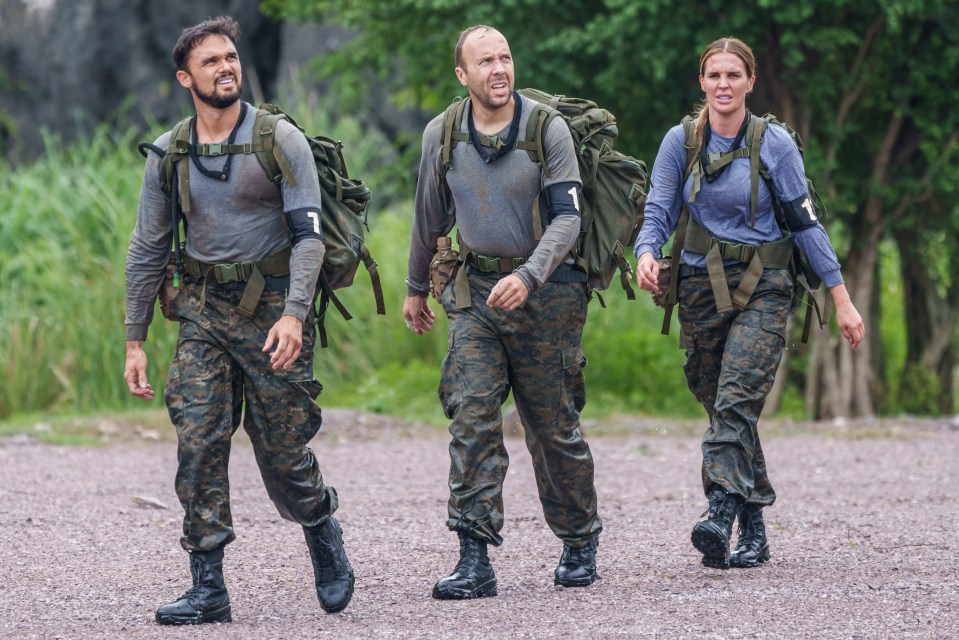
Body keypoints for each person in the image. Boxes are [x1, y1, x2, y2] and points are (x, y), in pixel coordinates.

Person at [123, 16, 354, 624]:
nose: (226, 68)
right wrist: (134, 340)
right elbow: (147, 248)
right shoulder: (170, 152)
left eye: (231, 58)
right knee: (198, 439)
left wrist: (297, 316)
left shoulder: (280, 139)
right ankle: (208, 586)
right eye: (211, 62)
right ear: (185, 78)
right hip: (202, 313)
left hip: (276, 311)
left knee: (282, 456)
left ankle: (320, 524)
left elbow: (310, 240)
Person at [634, 36, 865, 570]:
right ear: (701, 81)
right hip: (697, 286)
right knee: (719, 402)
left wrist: (841, 298)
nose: (723, 85)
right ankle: (754, 530)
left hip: (765, 283)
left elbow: (806, 222)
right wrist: (647, 250)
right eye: (713, 75)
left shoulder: (774, 142)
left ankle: (720, 509)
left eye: (733, 76)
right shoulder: (681, 140)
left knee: (737, 397)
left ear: (750, 82)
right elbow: (660, 210)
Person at [403, 25, 603, 600]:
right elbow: (428, 218)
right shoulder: (442, 134)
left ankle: (578, 539)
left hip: (548, 293)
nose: (499, 69)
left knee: (551, 425)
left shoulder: (547, 128)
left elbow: (569, 219)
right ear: (462, 75)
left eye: (505, 58)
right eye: (485, 61)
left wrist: (529, 274)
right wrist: (417, 287)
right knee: (471, 416)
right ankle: (473, 556)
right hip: (474, 296)